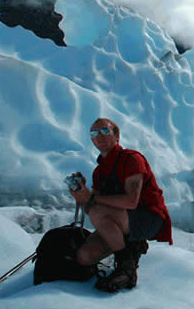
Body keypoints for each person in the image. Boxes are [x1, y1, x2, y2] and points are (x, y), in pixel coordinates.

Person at [69, 117, 172, 292]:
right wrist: (82, 195)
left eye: (105, 131)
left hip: (148, 218)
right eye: (94, 133)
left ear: (117, 135)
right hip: (121, 222)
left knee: (96, 210)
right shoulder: (99, 172)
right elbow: (94, 206)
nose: (99, 136)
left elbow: (131, 202)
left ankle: (126, 267)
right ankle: (131, 246)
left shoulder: (131, 159)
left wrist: (92, 198)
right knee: (84, 257)